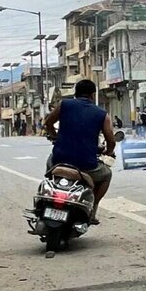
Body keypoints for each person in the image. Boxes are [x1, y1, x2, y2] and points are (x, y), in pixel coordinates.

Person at [43, 79, 116, 224]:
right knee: (107, 175)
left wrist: (54, 136)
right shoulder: (102, 114)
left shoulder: (64, 104)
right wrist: (108, 152)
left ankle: (47, 197)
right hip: (86, 165)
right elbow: (111, 140)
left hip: (59, 159)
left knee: (49, 171)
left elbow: (48, 123)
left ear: (75, 92)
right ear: (92, 94)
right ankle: (92, 208)